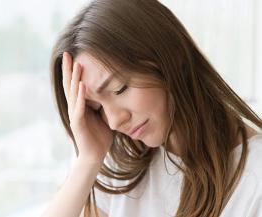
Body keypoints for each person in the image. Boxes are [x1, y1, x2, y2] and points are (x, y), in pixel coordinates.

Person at [44, 0, 262, 217]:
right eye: (97, 108)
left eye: (119, 89)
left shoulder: (255, 178)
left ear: (170, 55)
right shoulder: (118, 164)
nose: (113, 121)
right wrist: (88, 160)